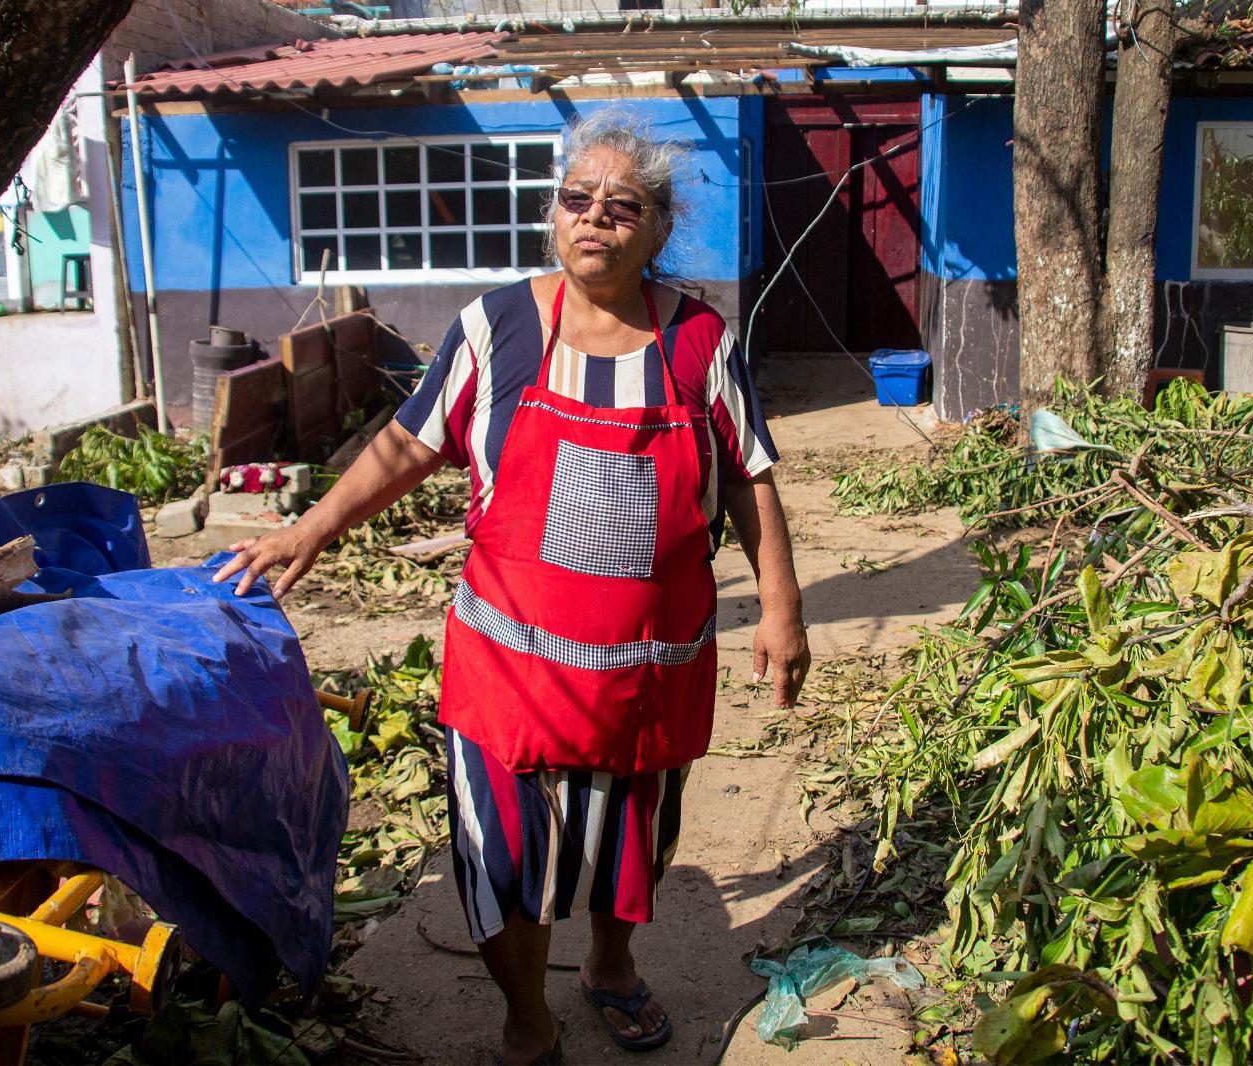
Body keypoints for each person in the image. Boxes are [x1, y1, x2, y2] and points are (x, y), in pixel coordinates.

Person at [215, 109, 811, 1064]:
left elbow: (747, 473)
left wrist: (781, 606)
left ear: (660, 228)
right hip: (509, 667)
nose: (595, 216)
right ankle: (527, 1018)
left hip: (650, 670)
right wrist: (310, 527)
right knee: (501, 854)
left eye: (624, 205)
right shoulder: (492, 329)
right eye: (578, 198)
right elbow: (409, 441)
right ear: (552, 214)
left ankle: (610, 963)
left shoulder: (701, 341)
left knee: (633, 835)